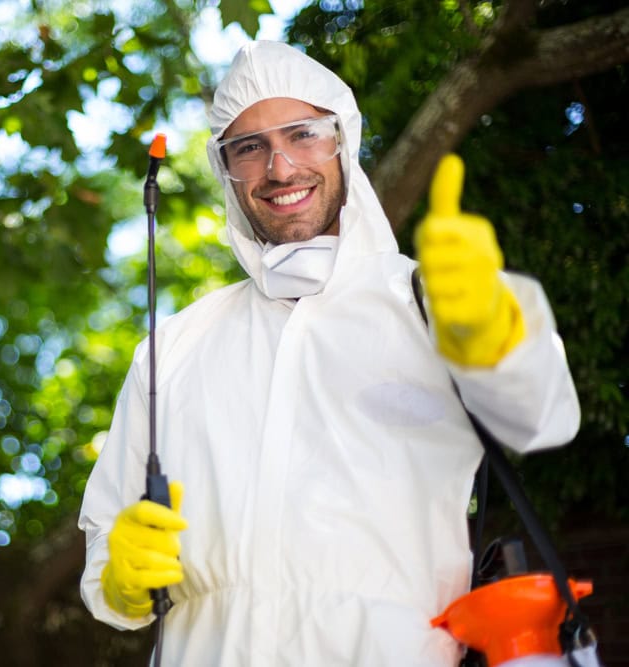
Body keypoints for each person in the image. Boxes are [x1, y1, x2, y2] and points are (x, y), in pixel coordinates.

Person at [78, 40, 580, 665]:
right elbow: (106, 535)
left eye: (303, 134)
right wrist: (119, 581)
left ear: (344, 140)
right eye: (249, 147)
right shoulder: (177, 344)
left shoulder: (434, 303)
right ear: (226, 170)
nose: (280, 168)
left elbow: (545, 417)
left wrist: (494, 331)